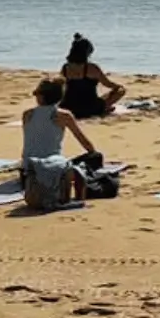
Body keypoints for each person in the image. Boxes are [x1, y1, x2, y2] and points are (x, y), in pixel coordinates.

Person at [23, 79, 96, 208]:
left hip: (28, 166)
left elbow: (31, 140)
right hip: (52, 165)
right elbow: (83, 140)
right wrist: (93, 153)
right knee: (90, 161)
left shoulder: (27, 114)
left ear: (40, 97)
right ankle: (77, 196)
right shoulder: (63, 115)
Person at [60, 34, 126, 119]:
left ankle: (104, 107)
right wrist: (118, 87)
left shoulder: (65, 67)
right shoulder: (92, 68)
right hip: (90, 107)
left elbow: (61, 86)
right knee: (120, 90)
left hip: (69, 107)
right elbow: (108, 84)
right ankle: (104, 108)